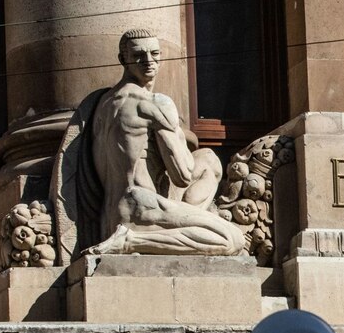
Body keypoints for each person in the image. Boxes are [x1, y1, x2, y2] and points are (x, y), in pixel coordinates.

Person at [76, 28, 244, 256]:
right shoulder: (154, 103)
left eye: (154, 53)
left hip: (110, 214)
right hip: (141, 208)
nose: (149, 61)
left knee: (207, 159)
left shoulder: (102, 104)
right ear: (122, 59)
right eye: (139, 55)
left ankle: (180, 225)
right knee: (232, 239)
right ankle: (131, 242)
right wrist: (171, 131)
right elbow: (183, 175)